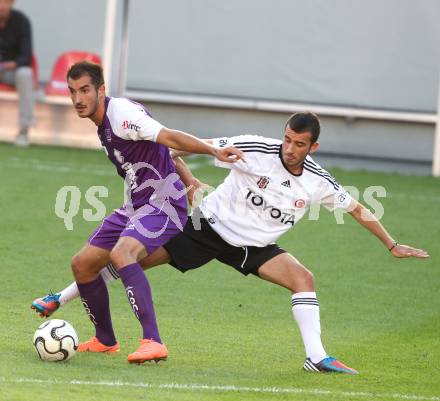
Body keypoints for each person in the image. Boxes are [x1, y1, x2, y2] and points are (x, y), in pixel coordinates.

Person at [33, 112, 429, 373]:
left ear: (313, 147)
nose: (289, 148)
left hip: (254, 248)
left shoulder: (318, 181)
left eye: (299, 143)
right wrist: (187, 180)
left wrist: (391, 244)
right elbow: (180, 146)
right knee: (129, 259)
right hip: (207, 228)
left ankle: (316, 357)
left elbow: (358, 208)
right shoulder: (255, 148)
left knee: (303, 279)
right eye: (287, 139)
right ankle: (60, 297)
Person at [31, 60, 244, 364]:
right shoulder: (102, 127)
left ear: (101, 90)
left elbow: (168, 137)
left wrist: (212, 152)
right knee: (82, 265)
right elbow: (162, 153)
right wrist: (190, 181)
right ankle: (105, 340)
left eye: (85, 90)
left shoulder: (123, 117)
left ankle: (153, 341)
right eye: (72, 91)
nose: (78, 99)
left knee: (122, 254)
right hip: (136, 205)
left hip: (164, 205)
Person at [0, 0, 34, 146]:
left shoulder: (22, 21)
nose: (2, 5)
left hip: (10, 71)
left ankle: (24, 131)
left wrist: (7, 64)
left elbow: (26, 56)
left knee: (25, 74)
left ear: (12, 3)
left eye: (6, 1)